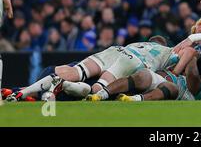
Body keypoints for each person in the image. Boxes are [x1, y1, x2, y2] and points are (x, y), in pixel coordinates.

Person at [6, 36, 191, 101]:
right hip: (132, 60)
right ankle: (78, 89)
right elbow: (190, 51)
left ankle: (26, 88)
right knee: (98, 90)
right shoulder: (168, 50)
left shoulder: (138, 42)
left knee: (73, 71)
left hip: (117, 50)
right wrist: (176, 71)